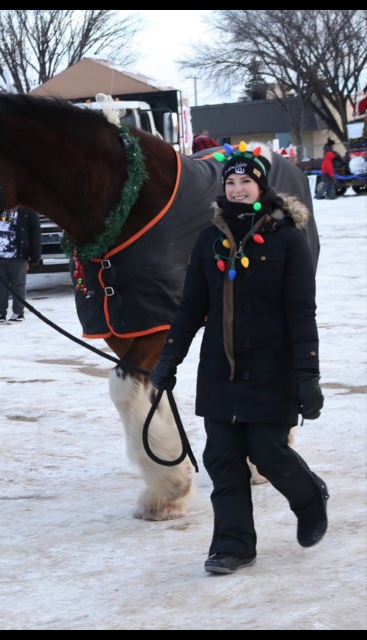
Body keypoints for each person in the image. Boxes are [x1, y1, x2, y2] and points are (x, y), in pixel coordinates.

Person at [148, 142, 327, 575]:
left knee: (268, 451)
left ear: (262, 185)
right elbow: (191, 307)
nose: (237, 188)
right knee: (223, 461)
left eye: (246, 180)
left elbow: (302, 312)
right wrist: (168, 360)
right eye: (230, 181)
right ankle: (233, 545)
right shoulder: (209, 239)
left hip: (272, 369)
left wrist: (308, 377)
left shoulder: (288, 240)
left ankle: (309, 495)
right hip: (220, 371)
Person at [0, 206, 42, 324]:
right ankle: (0, 313)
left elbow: (35, 232)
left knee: (18, 285)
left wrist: (35, 256)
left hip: (18, 256)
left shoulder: (28, 210)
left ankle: (18, 312)